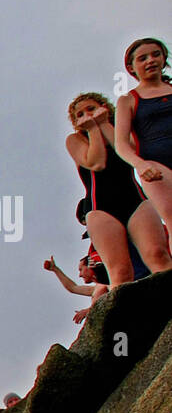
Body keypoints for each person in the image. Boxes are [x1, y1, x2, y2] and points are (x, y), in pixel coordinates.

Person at [66, 91, 171, 292]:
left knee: (158, 254)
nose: (88, 115)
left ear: (104, 107)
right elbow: (96, 163)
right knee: (121, 272)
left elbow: (127, 152)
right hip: (101, 209)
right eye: (81, 114)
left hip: (135, 200)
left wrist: (105, 124)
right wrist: (93, 130)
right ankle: (129, 320)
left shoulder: (122, 130)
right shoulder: (75, 140)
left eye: (91, 109)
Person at [115, 38, 172, 233]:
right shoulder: (128, 100)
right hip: (156, 164)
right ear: (131, 67)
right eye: (143, 58)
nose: (150, 61)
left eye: (156, 55)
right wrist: (140, 164)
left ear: (164, 59)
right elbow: (121, 144)